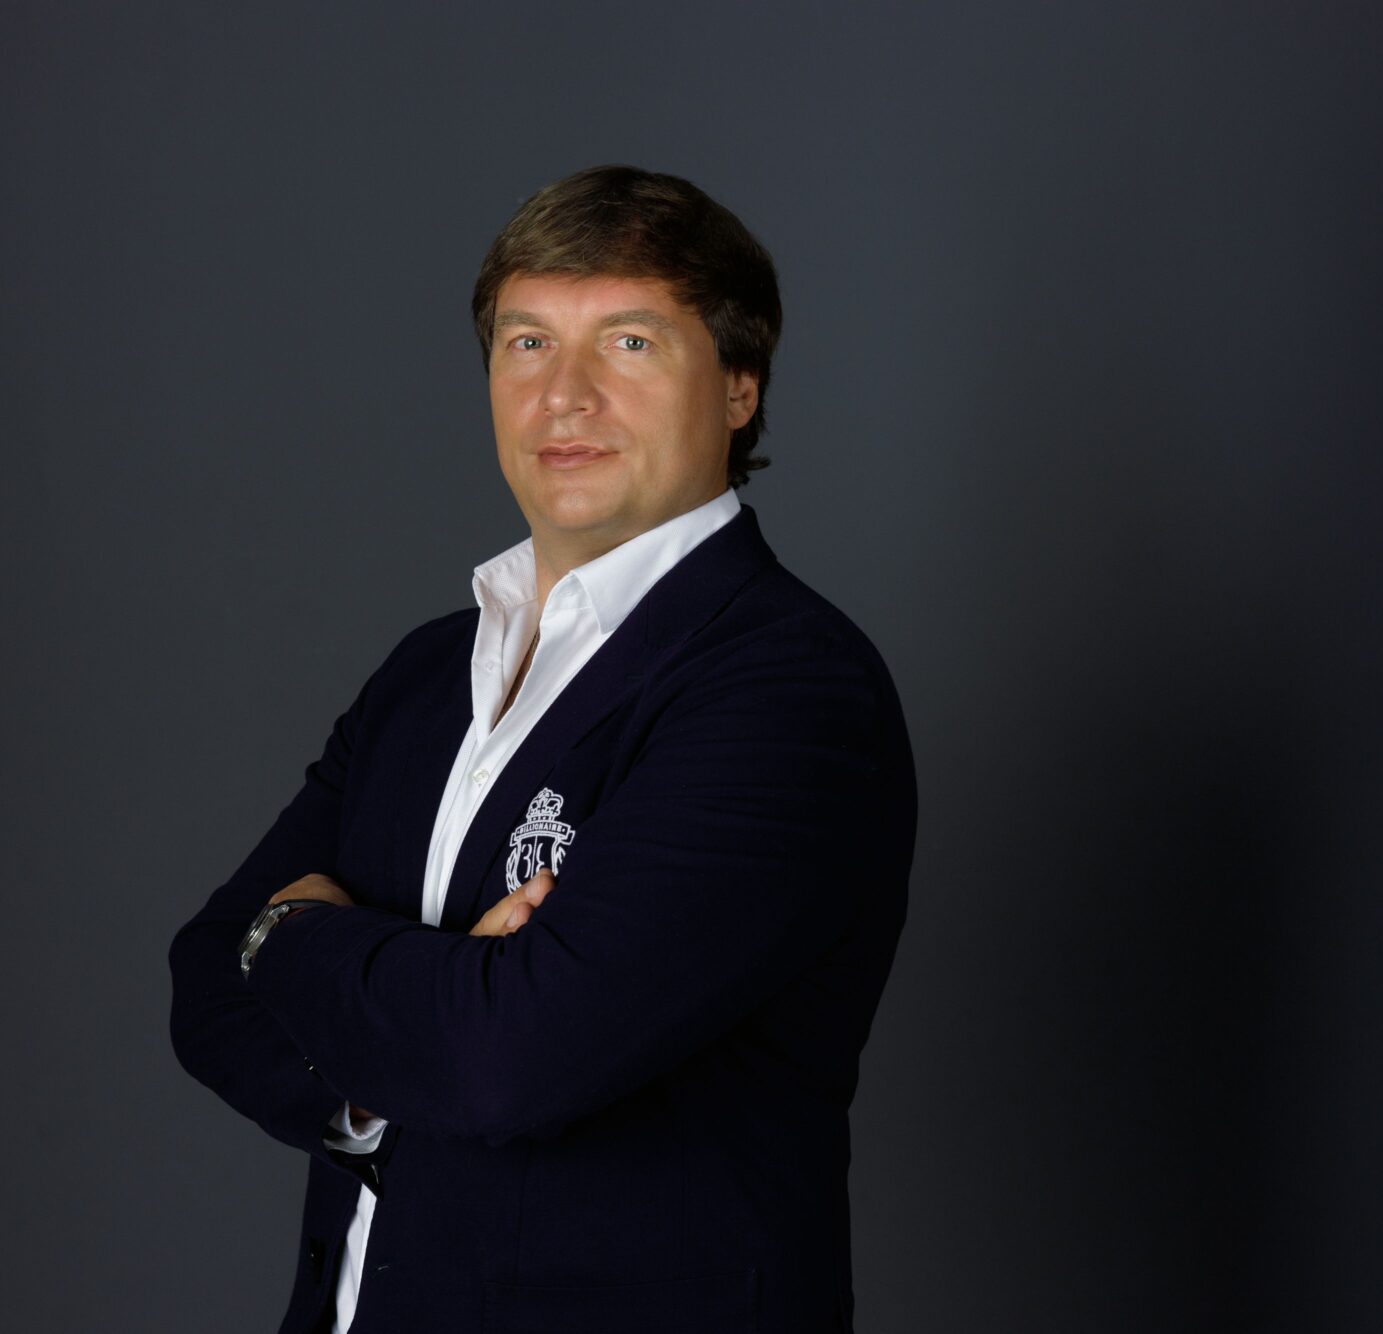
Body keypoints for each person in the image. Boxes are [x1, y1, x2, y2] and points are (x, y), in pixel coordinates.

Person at [168, 163, 916, 1334]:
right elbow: (207, 980)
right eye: (526, 343)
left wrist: (292, 932)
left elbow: (504, 1059)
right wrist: (410, 1035)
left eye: (627, 342)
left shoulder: (785, 685)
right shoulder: (427, 673)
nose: (562, 394)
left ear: (738, 385)